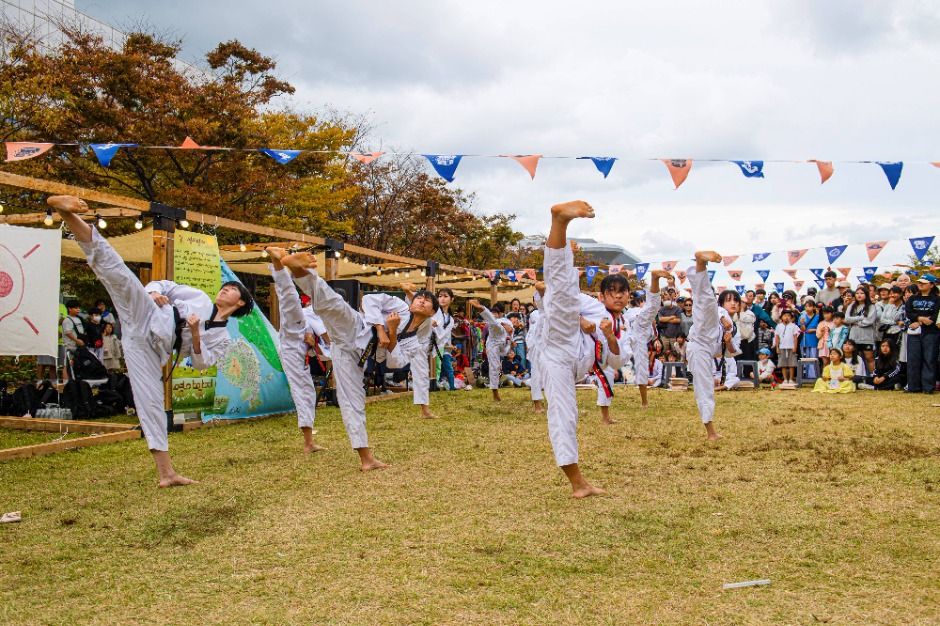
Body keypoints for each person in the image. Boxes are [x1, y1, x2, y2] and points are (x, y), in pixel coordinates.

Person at [48, 194, 253, 488]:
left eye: (232, 290)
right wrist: (154, 291)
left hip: (151, 347)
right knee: (118, 273)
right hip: (149, 314)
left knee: (151, 401)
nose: (225, 289)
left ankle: (166, 473)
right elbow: (166, 285)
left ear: (240, 303)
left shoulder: (222, 336)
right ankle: (68, 214)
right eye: (226, 286)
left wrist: (196, 334)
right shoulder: (199, 297)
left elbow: (201, 364)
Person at [286, 252, 437, 471]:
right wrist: (380, 329)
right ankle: (300, 271)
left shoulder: (416, 340)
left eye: (427, 300)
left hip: (354, 357)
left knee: (353, 402)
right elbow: (369, 300)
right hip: (358, 328)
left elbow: (396, 363)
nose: (421, 299)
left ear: (432, 313)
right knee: (335, 305)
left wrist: (392, 332)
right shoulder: (399, 306)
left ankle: (366, 459)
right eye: (420, 297)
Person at [535, 200, 605, 497]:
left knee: (563, 294)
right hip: (558, 347)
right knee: (563, 293)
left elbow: (616, 359)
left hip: (573, 355)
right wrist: (581, 321)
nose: (619, 299)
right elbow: (558, 298)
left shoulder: (608, 315)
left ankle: (580, 483)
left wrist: (604, 332)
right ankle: (559, 221)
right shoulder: (586, 303)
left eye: (623, 294)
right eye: (613, 293)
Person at [266, 248, 326, 454]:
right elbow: (325, 339)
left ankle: (279, 264)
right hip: (293, 344)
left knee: (306, 392)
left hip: (296, 345)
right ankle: (280, 263)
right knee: (289, 300)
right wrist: (312, 340)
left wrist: (311, 341)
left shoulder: (315, 312)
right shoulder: (314, 311)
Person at [685, 251, 740, 441]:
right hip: (700, 340)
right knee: (706, 301)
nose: (733, 304)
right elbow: (718, 310)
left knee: (704, 301)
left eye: (736, 301)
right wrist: (723, 319)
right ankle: (711, 432)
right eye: (730, 300)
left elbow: (732, 352)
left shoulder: (732, 326)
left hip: (707, 343)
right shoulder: (719, 311)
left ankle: (700, 266)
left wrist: (728, 339)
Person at [593, 270, 637, 420]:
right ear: (601, 296)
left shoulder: (624, 320)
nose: (617, 296)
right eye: (612, 291)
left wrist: (612, 337)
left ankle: (605, 417)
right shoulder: (595, 312)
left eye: (622, 291)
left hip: (608, 359)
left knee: (608, 379)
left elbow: (623, 355)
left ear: (628, 295)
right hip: (583, 356)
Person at [626, 270, 668, 408]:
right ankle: (655, 278)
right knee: (653, 306)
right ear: (639, 302)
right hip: (636, 331)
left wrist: (656, 339)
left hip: (637, 335)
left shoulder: (635, 312)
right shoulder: (634, 311)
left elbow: (652, 330)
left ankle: (644, 401)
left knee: (641, 366)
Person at [469, 300, 513, 402]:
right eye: (492, 313)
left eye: (495, 313)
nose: (494, 314)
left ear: (501, 313)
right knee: (495, 367)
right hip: (493, 342)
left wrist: (511, 342)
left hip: (503, 341)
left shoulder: (505, 320)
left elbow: (510, 331)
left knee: (495, 323)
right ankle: (495, 392)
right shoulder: (493, 323)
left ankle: (482, 309)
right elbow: (492, 326)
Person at [904, 274, 939, 394]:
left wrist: (921, 321)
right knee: (913, 359)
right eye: (919, 282)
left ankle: (928, 387)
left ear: (931, 285)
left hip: (931, 332)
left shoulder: (937, 299)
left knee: (929, 359)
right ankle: (913, 386)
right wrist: (919, 319)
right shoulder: (912, 299)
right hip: (914, 332)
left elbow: (936, 314)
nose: (920, 284)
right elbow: (908, 312)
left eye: (924, 282)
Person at [844, 286, 878, 373]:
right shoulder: (851, 305)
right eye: (857, 293)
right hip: (854, 336)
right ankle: (855, 376)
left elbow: (869, 320)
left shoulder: (871, 306)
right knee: (854, 357)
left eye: (862, 293)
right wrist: (860, 317)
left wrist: (855, 322)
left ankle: (872, 376)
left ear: (866, 294)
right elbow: (847, 319)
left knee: (869, 357)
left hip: (867, 336)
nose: (859, 295)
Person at [525, 293, 544, 412]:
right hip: (537, 347)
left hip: (550, 347)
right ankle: (537, 404)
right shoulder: (534, 314)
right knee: (536, 374)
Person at [773, 309, 800, 386]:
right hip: (782, 347)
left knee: (792, 364)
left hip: (791, 347)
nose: (786, 317)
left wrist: (795, 347)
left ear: (791, 317)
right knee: (783, 364)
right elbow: (777, 337)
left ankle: (791, 379)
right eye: (785, 316)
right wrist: (777, 347)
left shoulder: (793, 326)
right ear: (781, 317)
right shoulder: (778, 326)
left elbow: (795, 337)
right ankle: (785, 379)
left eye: (788, 316)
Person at [61, 299, 85, 382]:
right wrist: (77, 340)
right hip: (69, 346)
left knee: (75, 364)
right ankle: (66, 382)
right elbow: (68, 332)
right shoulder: (67, 320)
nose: (78, 309)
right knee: (67, 364)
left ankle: (74, 381)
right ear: (69, 309)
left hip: (77, 346)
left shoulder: (78, 319)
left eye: (78, 308)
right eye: (76, 308)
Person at [656, 292, 683, 358]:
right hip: (664, 336)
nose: (666, 300)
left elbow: (679, 320)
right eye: (664, 299)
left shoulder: (677, 309)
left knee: (676, 353)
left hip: (674, 336)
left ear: (671, 299)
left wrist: (665, 319)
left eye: (668, 299)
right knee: (664, 353)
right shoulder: (661, 309)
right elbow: (660, 319)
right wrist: (671, 317)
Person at [879, 286, 906, 350]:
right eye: (890, 294)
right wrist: (895, 322)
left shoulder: (903, 306)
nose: (892, 295)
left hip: (898, 333)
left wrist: (893, 307)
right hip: (888, 332)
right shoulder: (888, 305)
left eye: (894, 293)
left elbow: (896, 317)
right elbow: (882, 319)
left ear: (900, 294)